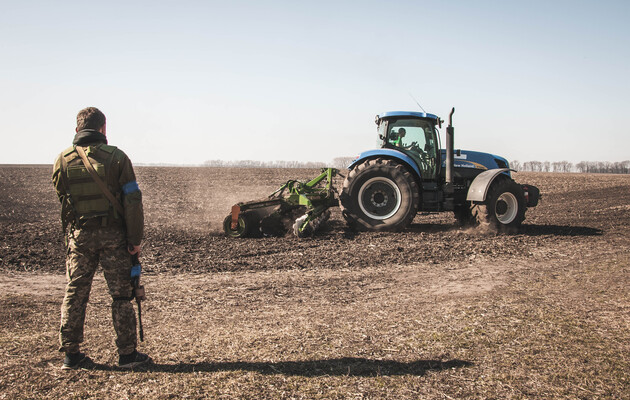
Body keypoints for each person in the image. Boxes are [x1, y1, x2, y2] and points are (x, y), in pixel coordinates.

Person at [52, 107, 150, 370]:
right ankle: (127, 354)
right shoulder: (117, 158)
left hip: (80, 236)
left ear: (77, 130)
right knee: (120, 296)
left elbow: (64, 201)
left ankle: (71, 355)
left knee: (75, 292)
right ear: (103, 129)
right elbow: (132, 201)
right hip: (113, 237)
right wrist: (135, 238)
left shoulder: (62, 161)